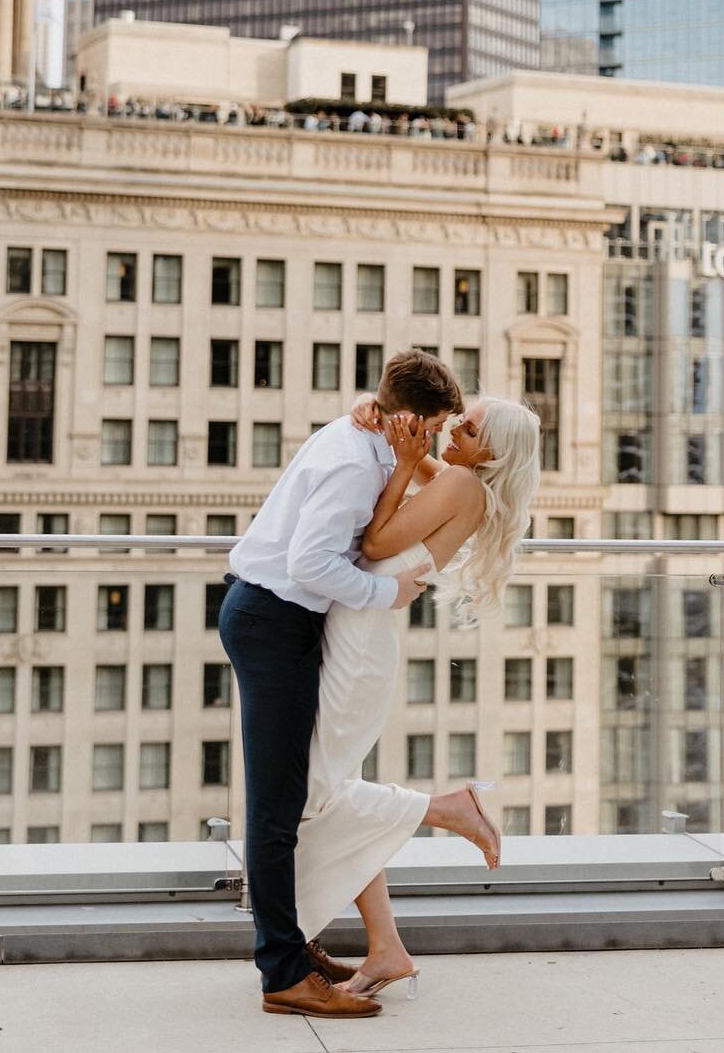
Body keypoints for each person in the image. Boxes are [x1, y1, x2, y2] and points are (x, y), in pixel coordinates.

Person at [217, 351, 462, 1021]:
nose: (436, 439)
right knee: (277, 807)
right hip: (271, 620)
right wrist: (384, 594)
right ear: (408, 417)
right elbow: (311, 561)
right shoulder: (356, 461)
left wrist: (400, 442)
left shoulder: (366, 440)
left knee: (292, 798)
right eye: (433, 427)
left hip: (277, 619)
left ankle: (293, 949)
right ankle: (283, 974)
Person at [292, 392, 542, 1000]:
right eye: (458, 417)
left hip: (360, 647)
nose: (455, 426)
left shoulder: (462, 485)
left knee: (315, 793)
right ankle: (387, 949)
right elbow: (423, 462)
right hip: (360, 634)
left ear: (493, 449)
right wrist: (377, 415)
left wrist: (404, 464)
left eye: (470, 425)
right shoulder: (462, 481)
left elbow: (375, 547)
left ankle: (450, 809)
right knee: (325, 791)